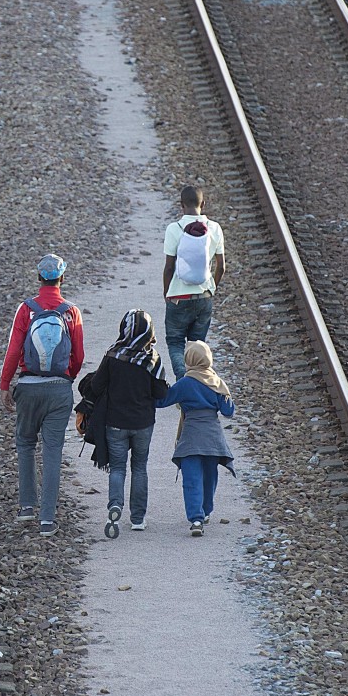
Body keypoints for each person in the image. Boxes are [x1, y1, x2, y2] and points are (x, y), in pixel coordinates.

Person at [0, 253, 84, 537]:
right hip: (59, 389)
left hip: (28, 386)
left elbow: (13, 351)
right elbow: (79, 355)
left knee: (25, 443)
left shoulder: (26, 309)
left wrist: (4, 385)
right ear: (62, 278)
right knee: (52, 450)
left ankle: (27, 507)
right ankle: (47, 519)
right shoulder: (72, 311)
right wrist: (66, 378)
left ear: (39, 278)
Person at [84, 310, 169, 536]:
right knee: (139, 467)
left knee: (118, 467)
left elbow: (97, 386)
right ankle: (138, 519)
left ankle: (114, 506)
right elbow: (160, 393)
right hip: (143, 423)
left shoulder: (113, 355)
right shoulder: (152, 359)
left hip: (115, 422)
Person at [154, 340, 235, 536]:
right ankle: (206, 511)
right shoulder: (217, 382)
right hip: (213, 438)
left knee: (191, 479)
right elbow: (228, 411)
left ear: (189, 359)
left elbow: (162, 401)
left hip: (191, 436)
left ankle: (196, 519)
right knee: (210, 476)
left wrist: (157, 383)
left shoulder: (186, 383)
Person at [162, 185, 225, 378]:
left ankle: (183, 381)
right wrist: (211, 288)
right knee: (198, 345)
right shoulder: (214, 228)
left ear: (181, 205)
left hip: (178, 297)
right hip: (204, 296)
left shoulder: (174, 229)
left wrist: (167, 293)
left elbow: (169, 267)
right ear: (203, 204)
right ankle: (198, 382)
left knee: (175, 342)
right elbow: (221, 267)